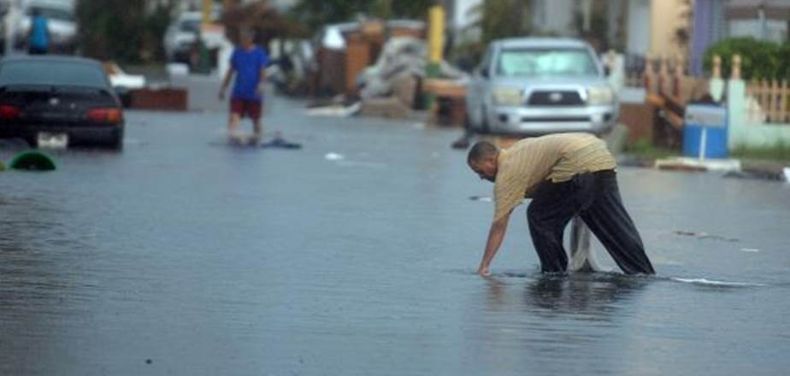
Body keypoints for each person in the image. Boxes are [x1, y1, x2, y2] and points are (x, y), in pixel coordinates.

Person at [467, 133, 655, 277]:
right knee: (614, 225)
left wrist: (484, 265)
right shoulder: (520, 150)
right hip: (599, 155)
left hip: (576, 162)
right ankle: (643, 272)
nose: (482, 178)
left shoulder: (507, 173)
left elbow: (499, 225)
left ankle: (554, 274)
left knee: (540, 216)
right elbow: (555, 192)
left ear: (491, 160)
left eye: (480, 171)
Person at [218, 29, 269, 144]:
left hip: (254, 93)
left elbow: (262, 72)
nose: (243, 41)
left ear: (251, 39)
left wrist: (261, 85)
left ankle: (258, 140)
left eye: (246, 38)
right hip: (239, 91)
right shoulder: (237, 52)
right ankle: (231, 139)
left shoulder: (259, 53)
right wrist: (223, 88)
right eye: (242, 38)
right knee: (234, 116)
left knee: (256, 120)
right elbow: (230, 72)